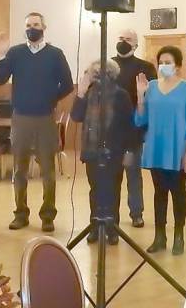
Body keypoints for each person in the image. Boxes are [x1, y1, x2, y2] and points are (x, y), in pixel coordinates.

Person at [0, 12, 73, 232]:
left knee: (48, 171)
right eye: (28, 25)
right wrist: (1, 56)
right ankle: (21, 214)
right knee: (19, 170)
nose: (32, 28)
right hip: (21, 118)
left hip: (45, 118)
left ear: (44, 27)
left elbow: (67, 84)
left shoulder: (55, 54)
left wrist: (50, 98)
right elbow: (0, 79)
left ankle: (48, 215)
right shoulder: (15, 53)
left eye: (36, 24)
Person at [134, 46, 186, 255]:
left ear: (178, 65)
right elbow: (140, 120)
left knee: (178, 193)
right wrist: (140, 96)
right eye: (161, 61)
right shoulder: (151, 86)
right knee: (159, 193)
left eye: (168, 62)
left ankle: (178, 235)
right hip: (155, 147)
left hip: (177, 149)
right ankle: (159, 236)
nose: (164, 65)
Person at [71, 59, 134, 245]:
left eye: (102, 73)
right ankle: (95, 225)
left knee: (113, 189)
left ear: (111, 75)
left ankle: (112, 228)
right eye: (95, 73)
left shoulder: (121, 95)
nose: (98, 77)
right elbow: (76, 116)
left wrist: (129, 151)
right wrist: (80, 93)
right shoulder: (89, 93)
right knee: (95, 189)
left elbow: (128, 125)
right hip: (92, 150)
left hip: (114, 151)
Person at [112, 29, 156, 228]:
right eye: (121, 39)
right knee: (111, 177)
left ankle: (136, 213)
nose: (123, 42)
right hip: (110, 133)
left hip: (132, 133)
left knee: (133, 175)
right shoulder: (108, 65)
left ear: (136, 45)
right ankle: (110, 215)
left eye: (128, 40)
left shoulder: (145, 68)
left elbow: (151, 100)